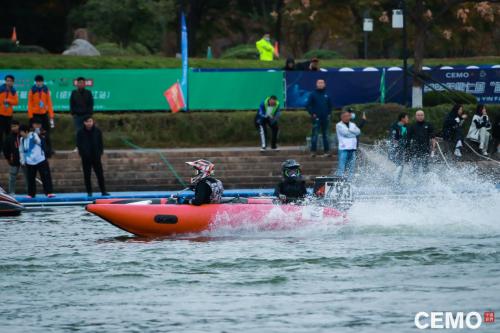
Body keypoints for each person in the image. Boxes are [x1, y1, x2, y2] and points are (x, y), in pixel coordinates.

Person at [18, 124, 55, 199]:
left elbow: (40, 143)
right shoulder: (22, 139)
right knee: (30, 178)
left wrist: (37, 138)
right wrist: (22, 160)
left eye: (21, 132)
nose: (20, 134)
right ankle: (31, 194)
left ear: (26, 131)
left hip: (40, 160)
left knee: (45, 177)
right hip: (30, 162)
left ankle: (49, 192)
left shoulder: (34, 135)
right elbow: (21, 151)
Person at [76, 117, 109, 197]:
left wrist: (100, 153)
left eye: (90, 121)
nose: (89, 123)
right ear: (84, 122)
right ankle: (89, 192)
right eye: (87, 121)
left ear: (93, 121)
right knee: (87, 175)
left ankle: (103, 191)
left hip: (96, 156)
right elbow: (78, 144)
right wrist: (82, 153)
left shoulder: (97, 131)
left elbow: (101, 143)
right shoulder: (80, 132)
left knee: (100, 174)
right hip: (86, 157)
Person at [28, 75, 55, 156]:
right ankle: (32, 149)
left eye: (40, 81)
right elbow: (29, 103)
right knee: (33, 133)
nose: (39, 83)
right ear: (35, 82)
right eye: (37, 81)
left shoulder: (46, 90)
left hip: (44, 114)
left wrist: (51, 115)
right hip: (35, 115)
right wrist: (30, 115)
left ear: (43, 82)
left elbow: (49, 103)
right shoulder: (32, 90)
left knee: (46, 132)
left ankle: (49, 150)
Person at [306, 79, 332, 157]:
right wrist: (312, 113)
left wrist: (329, 114)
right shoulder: (312, 94)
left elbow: (330, 105)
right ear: (316, 84)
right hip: (316, 118)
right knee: (315, 135)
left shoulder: (327, 94)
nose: (320, 84)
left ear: (324, 84)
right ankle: (313, 151)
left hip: (325, 118)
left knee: (326, 135)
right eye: (319, 83)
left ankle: (327, 151)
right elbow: (308, 105)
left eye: (322, 83)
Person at [3, 120, 27, 194]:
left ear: (19, 126)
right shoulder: (8, 137)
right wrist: (8, 158)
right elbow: (5, 149)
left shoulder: (23, 135)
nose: (14, 128)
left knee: (28, 176)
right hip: (14, 160)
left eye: (15, 126)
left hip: (25, 160)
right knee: (12, 177)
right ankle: (11, 192)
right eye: (12, 127)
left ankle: (30, 192)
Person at [335, 110, 360, 181]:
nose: (347, 117)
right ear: (341, 117)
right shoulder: (339, 125)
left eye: (348, 116)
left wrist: (351, 132)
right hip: (343, 149)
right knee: (341, 167)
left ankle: (350, 181)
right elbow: (345, 134)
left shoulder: (353, 124)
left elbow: (358, 132)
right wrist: (353, 133)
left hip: (352, 148)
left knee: (351, 167)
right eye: (345, 116)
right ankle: (339, 181)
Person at [388, 112, 409, 184]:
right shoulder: (395, 126)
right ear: (402, 118)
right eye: (407, 117)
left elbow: (405, 138)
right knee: (400, 165)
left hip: (401, 149)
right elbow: (393, 138)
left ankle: (397, 181)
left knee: (401, 165)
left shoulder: (405, 126)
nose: (408, 119)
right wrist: (397, 148)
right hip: (395, 149)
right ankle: (395, 181)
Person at [0, 75, 19, 149]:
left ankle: (8, 148)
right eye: (7, 81)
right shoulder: (0, 89)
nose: (9, 82)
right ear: (5, 81)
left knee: (8, 133)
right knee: (0, 133)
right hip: (1, 114)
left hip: (9, 115)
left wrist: (9, 101)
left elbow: (16, 102)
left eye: (10, 81)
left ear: (13, 82)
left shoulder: (14, 91)